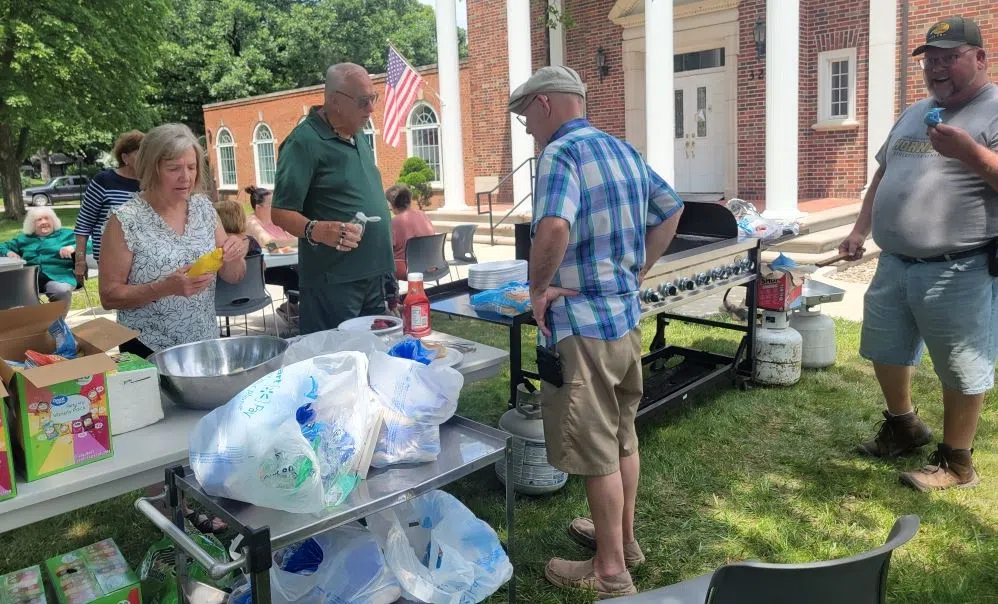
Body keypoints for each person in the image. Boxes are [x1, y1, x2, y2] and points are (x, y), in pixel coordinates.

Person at [509, 66, 684, 598]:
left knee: (594, 448)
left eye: (524, 116)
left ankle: (609, 570)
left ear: (544, 105)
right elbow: (671, 209)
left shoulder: (560, 155)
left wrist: (539, 288)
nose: (525, 129)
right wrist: (638, 271)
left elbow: (554, 227)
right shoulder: (622, 150)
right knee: (621, 434)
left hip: (581, 326)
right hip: (623, 318)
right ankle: (624, 541)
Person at [839, 16, 998, 492]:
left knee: (961, 364)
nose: (937, 68)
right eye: (930, 59)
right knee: (885, 348)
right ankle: (904, 425)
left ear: (980, 58)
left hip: (959, 267)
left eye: (948, 57)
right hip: (894, 263)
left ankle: (957, 462)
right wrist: (858, 229)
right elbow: (884, 175)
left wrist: (971, 153)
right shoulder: (914, 111)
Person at [98, 123, 248, 359]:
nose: (186, 177)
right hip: (148, 348)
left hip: (204, 342)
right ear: (151, 168)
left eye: (191, 167)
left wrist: (235, 255)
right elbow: (109, 296)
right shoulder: (125, 221)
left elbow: (233, 275)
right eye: (173, 168)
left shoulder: (204, 209)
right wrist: (165, 288)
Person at [271, 63, 393, 334]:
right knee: (335, 364)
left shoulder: (358, 136)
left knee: (374, 359)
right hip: (333, 282)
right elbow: (280, 211)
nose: (371, 109)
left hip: (373, 275)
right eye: (363, 101)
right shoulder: (303, 142)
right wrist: (315, 230)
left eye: (373, 99)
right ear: (335, 101)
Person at [73, 130, 144, 282]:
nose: (147, 158)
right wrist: (79, 260)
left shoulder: (151, 183)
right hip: (111, 259)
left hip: (145, 260)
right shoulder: (104, 181)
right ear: (125, 157)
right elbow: (84, 222)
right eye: (140, 153)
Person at [1, 207, 89, 303]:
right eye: (39, 220)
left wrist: (74, 247)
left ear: (53, 221)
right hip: (29, 278)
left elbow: (91, 243)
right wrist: (8, 252)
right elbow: (1, 247)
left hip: (59, 276)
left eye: (47, 218)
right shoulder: (23, 239)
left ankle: (57, 318)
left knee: (60, 291)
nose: (44, 222)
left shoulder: (66, 234)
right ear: (32, 224)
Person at [387, 184, 435, 280]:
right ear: (409, 200)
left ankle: (390, 294)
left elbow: (387, 249)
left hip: (407, 269)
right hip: (432, 265)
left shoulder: (394, 222)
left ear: (392, 204)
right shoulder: (423, 215)